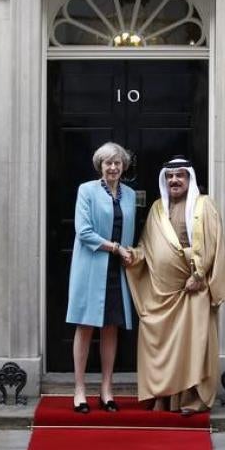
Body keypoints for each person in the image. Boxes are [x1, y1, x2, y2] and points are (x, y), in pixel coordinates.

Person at [125, 156, 225, 414]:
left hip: (194, 288)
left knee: (193, 346)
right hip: (161, 293)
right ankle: (162, 396)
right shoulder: (156, 209)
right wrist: (132, 255)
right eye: (170, 177)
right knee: (161, 345)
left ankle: (190, 400)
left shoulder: (204, 206)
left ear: (189, 179)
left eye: (180, 175)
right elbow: (147, 248)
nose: (174, 180)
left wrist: (199, 275)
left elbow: (214, 244)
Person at [65, 142, 137, 413]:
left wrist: (128, 252)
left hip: (116, 270)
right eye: (108, 162)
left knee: (111, 327)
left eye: (118, 162)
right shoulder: (87, 190)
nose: (113, 167)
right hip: (91, 267)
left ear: (123, 166)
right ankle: (80, 388)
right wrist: (115, 247)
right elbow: (83, 231)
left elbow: (129, 230)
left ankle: (107, 388)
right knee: (85, 326)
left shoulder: (129, 195)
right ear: (100, 165)